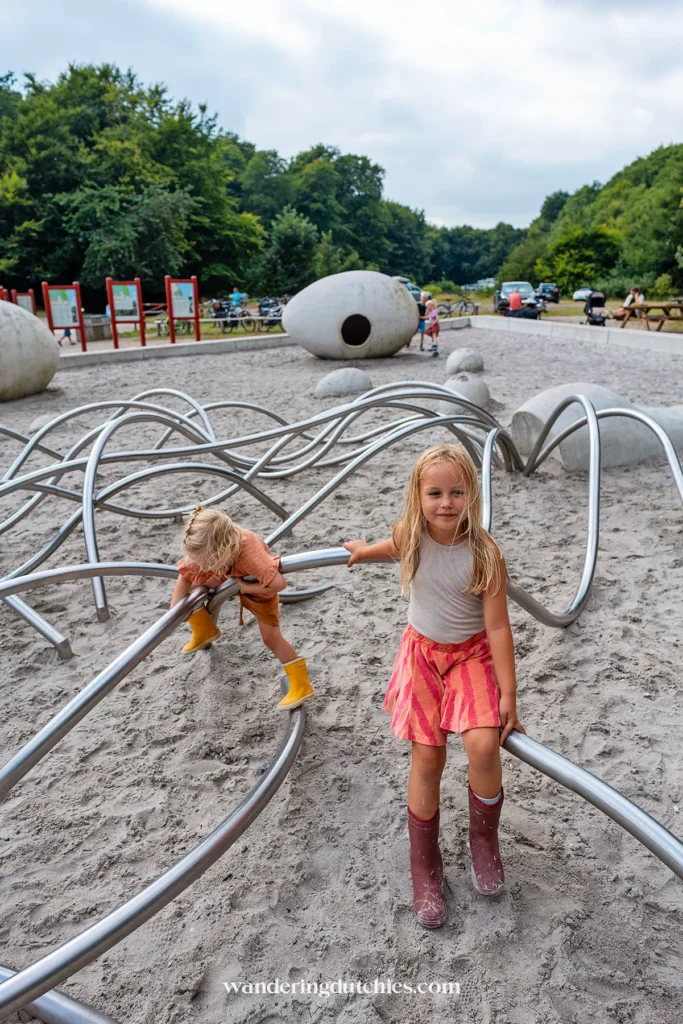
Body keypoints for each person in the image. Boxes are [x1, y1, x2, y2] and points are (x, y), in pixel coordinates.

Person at [343, 443, 524, 928]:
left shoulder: (485, 554)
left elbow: (499, 628)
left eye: (457, 492)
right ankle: (425, 867)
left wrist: (508, 694)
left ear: (472, 495)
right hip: (422, 654)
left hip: (470, 655)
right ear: (418, 496)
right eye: (436, 493)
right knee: (428, 756)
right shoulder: (413, 536)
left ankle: (484, 842)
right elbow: (390, 547)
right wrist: (362, 551)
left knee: (485, 745)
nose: (446, 503)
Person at [170, 506, 314, 710]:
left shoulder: (250, 554)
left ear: (220, 550)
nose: (202, 564)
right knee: (192, 580)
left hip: (259, 590)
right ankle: (204, 629)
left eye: (206, 560)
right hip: (228, 573)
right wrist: (175, 612)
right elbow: (185, 572)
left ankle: (301, 684)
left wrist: (246, 587)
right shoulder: (213, 544)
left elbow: (278, 584)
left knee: (270, 637)